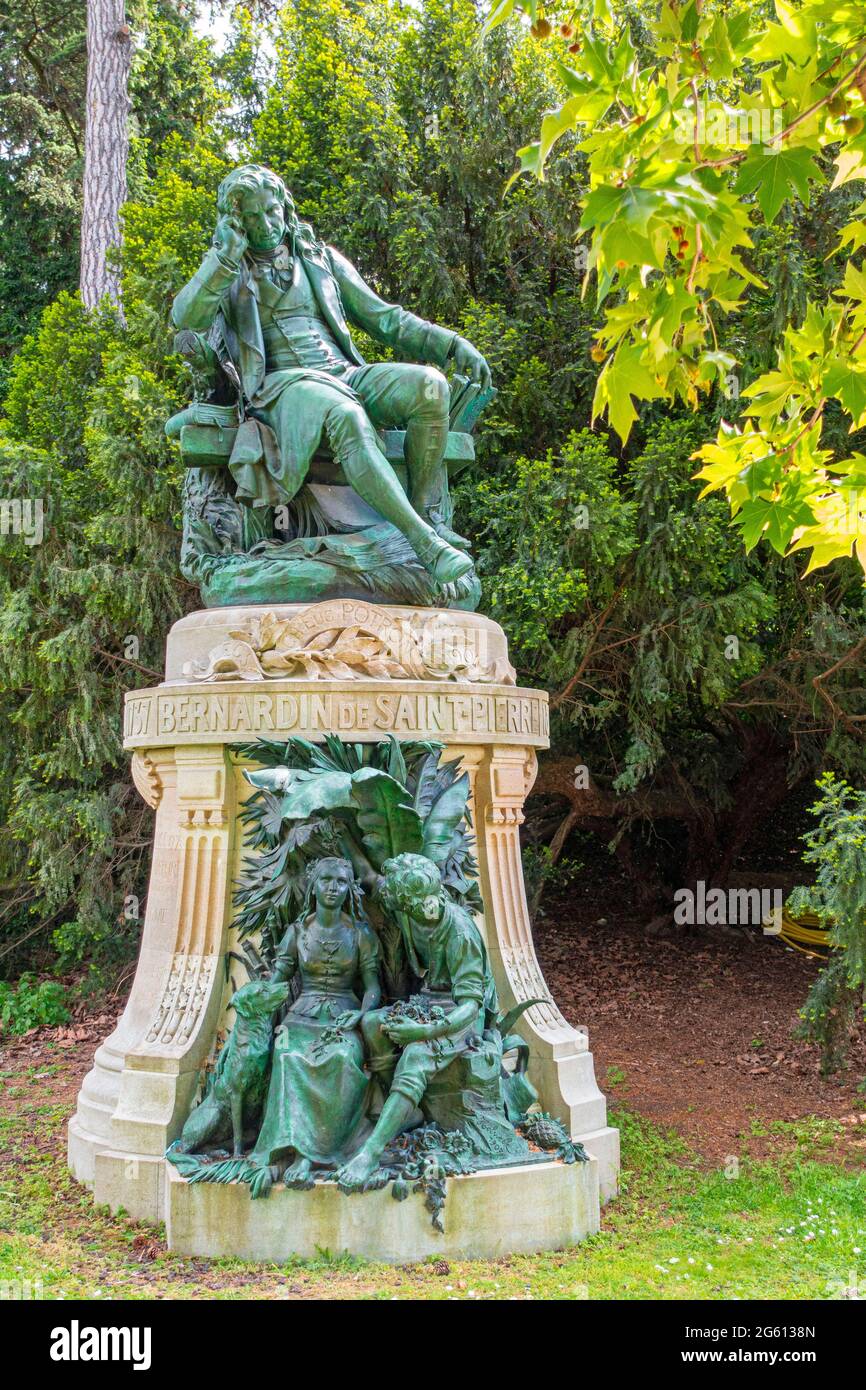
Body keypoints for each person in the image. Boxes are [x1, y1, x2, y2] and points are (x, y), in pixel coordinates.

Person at [172, 163, 492, 588]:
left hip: (343, 374)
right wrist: (223, 258)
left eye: (271, 211)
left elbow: (386, 320)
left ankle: (420, 521)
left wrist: (450, 344)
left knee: (430, 386)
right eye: (251, 217)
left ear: (284, 207)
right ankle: (425, 543)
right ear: (235, 222)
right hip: (282, 389)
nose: (265, 225)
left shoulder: (318, 258)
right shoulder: (229, 268)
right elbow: (186, 318)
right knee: (345, 415)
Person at [335, 852, 498, 1191]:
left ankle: (370, 1151)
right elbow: (370, 874)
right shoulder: (405, 907)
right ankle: (405, 1112)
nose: (427, 907)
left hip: (461, 1015)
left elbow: (470, 1006)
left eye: (428, 900)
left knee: (416, 1056)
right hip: (428, 1001)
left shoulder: (460, 933)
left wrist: (423, 1032)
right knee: (372, 1025)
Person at [249, 857, 381, 1186]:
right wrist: (257, 1001)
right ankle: (294, 1151)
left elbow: (374, 986)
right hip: (300, 1016)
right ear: (314, 885)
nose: (333, 888)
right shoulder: (297, 933)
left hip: (343, 1016)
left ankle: (317, 1153)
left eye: (340, 881)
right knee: (287, 1055)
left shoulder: (360, 934)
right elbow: (279, 980)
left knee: (342, 1059)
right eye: (326, 880)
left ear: (350, 887)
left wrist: (363, 1014)